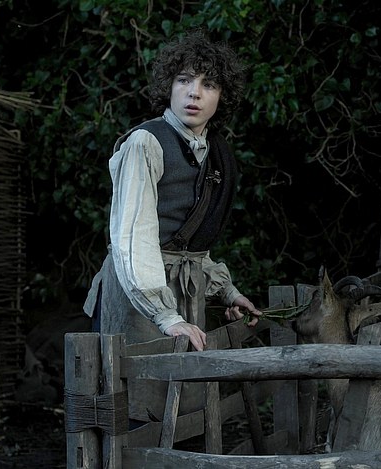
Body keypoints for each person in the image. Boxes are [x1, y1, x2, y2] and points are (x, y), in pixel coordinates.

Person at [83, 30, 261, 354]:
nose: (194, 93)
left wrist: (227, 292)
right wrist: (165, 314)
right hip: (136, 296)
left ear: (222, 96)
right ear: (169, 86)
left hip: (182, 296)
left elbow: (190, 247)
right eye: (184, 80)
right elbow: (133, 239)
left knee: (183, 384)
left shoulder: (217, 154)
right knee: (133, 382)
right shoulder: (145, 143)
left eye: (209, 85)